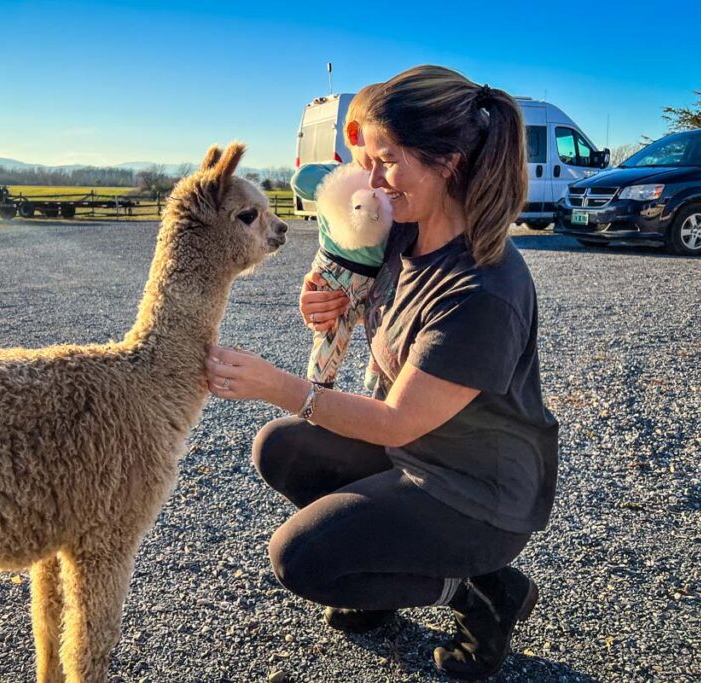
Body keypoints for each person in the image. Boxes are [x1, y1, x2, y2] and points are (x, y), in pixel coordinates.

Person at [205, 65, 559, 680]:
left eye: (387, 160)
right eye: (368, 158)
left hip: (475, 493)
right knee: (281, 448)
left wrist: (277, 385)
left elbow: (398, 417)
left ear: (448, 162)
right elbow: (346, 286)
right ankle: (391, 577)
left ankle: (484, 591)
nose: (370, 179)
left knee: (303, 559)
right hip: (412, 455)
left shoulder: (484, 288)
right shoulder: (400, 236)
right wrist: (319, 299)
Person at [290, 83, 385, 390]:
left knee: (385, 333)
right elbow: (300, 180)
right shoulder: (340, 175)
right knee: (331, 335)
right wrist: (336, 178)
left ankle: (377, 379)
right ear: (354, 136)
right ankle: (318, 393)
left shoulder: (393, 188)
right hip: (336, 272)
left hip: (377, 278)